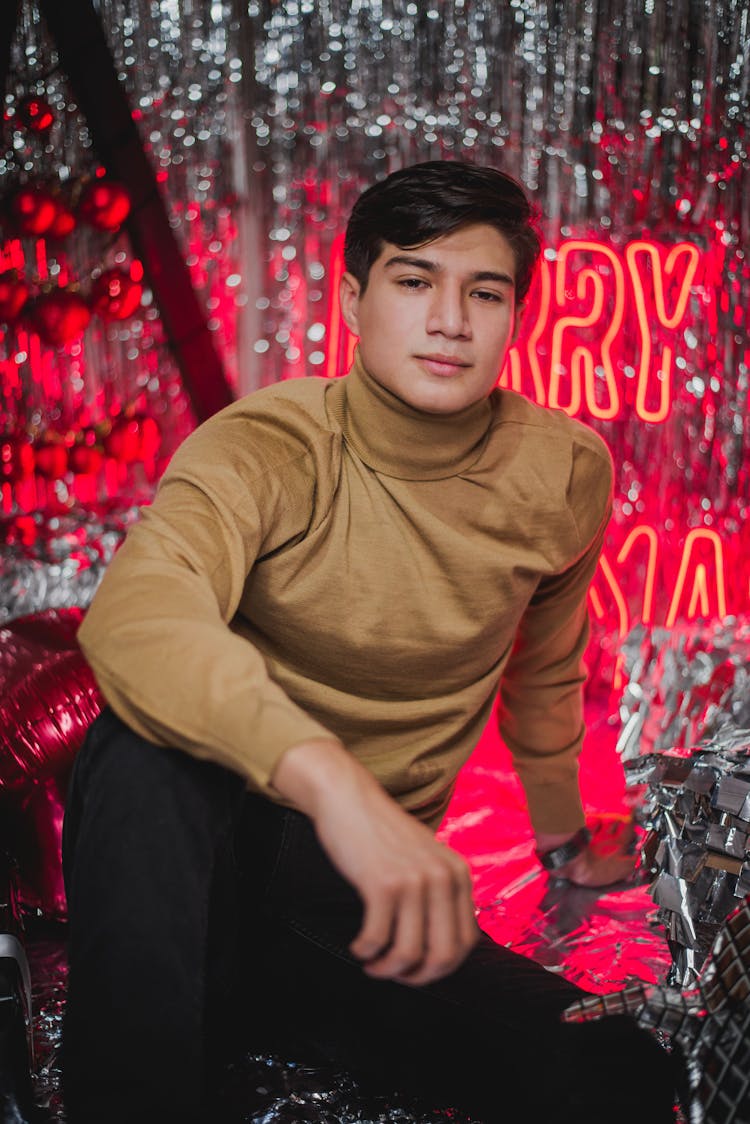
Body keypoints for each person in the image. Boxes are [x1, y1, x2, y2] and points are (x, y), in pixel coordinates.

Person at [62, 160, 677, 1123]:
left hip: (353, 913)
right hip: (192, 864)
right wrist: (333, 785)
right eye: (414, 281)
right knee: (145, 750)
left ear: (516, 314)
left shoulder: (562, 470)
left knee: (621, 1073)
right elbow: (138, 614)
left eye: (485, 292)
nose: (450, 321)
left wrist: (562, 844)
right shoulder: (269, 444)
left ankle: (257, 1006)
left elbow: (548, 663)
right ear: (353, 297)